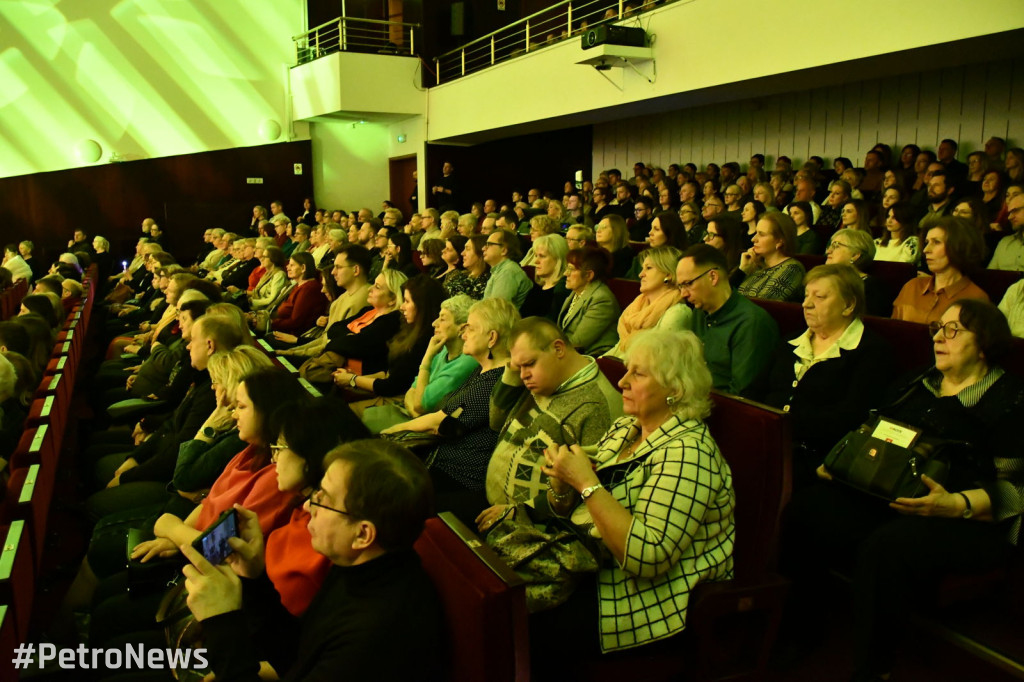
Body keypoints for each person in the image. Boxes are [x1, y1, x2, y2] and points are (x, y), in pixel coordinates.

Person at [785, 299, 1024, 680]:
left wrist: (955, 504)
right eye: (937, 329)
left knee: (887, 546)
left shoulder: (1011, 400)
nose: (939, 338)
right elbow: (875, 431)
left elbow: (1016, 490)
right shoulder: (916, 382)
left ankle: (873, 668)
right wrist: (845, 465)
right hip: (891, 494)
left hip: (965, 520)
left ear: (984, 344)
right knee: (808, 508)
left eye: (953, 330)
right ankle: (802, 629)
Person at [485, 329, 735, 667]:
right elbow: (570, 507)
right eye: (627, 369)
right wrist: (562, 484)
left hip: (635, 598)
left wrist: (586, 483)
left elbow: (647, 558)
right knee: (492, 592)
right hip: (586, 562)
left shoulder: (690, 454)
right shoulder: (626, 428)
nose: (622, 382)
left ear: (675, 390)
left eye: (638, 373)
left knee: (514, 627)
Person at [183, 438, 444, 681]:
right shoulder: (363, 566)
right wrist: (254, 578)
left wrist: (221, 623)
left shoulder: (378, 633)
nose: (308, 507)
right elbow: (297, 654)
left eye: (323, 500)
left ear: (362, 533)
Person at [749, 265, 895, 487]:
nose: (807, 304)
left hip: (818, 460)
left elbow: (850, 419)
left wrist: (779, 425)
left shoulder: (871, 351)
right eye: (806, 295)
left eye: (820, 297)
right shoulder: (790, 342)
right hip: (766, 443)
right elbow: (754, 391)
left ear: (848, 305)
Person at [383, 298, 520, 521]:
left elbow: (438, 421)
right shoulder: (483, 371)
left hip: (460, 477)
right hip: (444, 465)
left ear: (492, 338)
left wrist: (389, 433)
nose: (463, 334)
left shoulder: (496, 380)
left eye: (470, 328)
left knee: (387, 491)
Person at [483, 317, 623, 508]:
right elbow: (496, 420)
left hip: (531, 527)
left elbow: (587, 493)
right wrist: (513, 371)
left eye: (529, 363)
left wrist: (521, 512)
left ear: (558, 349)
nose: (524, 374)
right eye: (519, 366)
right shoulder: (540, 381)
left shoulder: (597, 406)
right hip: (495, 508)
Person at [362, 294, 479, 433]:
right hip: (413, 418)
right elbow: (412, 391)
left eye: (442, 319)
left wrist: (427, 357)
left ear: (462, 328)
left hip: (428, 433)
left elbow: (421, 403)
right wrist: (416, 412)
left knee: (359, 422)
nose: (434, 323)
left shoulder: (466, 362)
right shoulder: (443, 352)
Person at [678, 245, 779, 394]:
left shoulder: (751, 322)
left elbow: (742, 395)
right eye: (680, 286)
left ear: (713, 277)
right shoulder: (699, 313)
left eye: (688, 284)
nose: (683, 294)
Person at [332, 274, 444, 406]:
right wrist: (353, 378)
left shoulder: (425, 340)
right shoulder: (408, 328)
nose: (401, 307)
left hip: (398, 400)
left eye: (407, 301)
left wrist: (353, 379)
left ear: (422, 306)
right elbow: (389, 374)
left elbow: (393, 386)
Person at [276, 245, 372, 359]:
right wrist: (293, 351)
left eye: (338, 267)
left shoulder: (365, 299)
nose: (333, 272)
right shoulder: (343, 297)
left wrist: (292, 352)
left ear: (355, 270)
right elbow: (325, 339)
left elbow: (332, 345)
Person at [892, 217, 988, 323]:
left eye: (936, 242)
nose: (926, 250)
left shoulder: (976, 298)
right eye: (927, 242)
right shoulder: (911, 287)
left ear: (960, 246)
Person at [604, 246, 689, 360]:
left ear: (668, 274)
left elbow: (653, 358)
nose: (640, 274)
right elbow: (620, 347)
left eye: (648, 268)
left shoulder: (678, 312)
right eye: (642, 268)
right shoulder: (637, 306)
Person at [556, 246, 621, 356]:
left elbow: (578, 342)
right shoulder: (577, 292)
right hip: (571, 352)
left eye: (571, 269)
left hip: (593, 357)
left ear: (589, 275)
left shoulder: (602, 300)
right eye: (567, 268)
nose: (565, 273)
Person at [734, 212, 806, 302]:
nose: (753, 239)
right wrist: (742, 270)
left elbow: (760, 305)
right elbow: (723, 296)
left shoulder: (792, 269)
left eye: (761, 234)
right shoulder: (755, 265)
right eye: (756, 233)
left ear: (780, 241)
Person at [267, 252, 328, 336]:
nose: (287, 268)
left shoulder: (309, 289)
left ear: (303, 268)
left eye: (292, 265)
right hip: (281, 328)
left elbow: (295, 322)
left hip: (292, 335)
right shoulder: (298, 285)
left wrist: (270, 323)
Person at [520, 233, 570, 320]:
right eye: (536, 256)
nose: (536, 261)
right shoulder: (537, 287)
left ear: (558, 259)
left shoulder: (561, 291)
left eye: (542, 256)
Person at [482, 228, 532, 308]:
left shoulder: (508, 272)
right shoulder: (501, 269)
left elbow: (497, 310)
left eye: (489, 244)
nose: (483, 248)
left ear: (504, 251)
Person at [987, 192, 1024, 271]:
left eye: (1015, 211)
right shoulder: (1004, 242)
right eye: (1009, 213)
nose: (1010, 217)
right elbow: (990, 276)